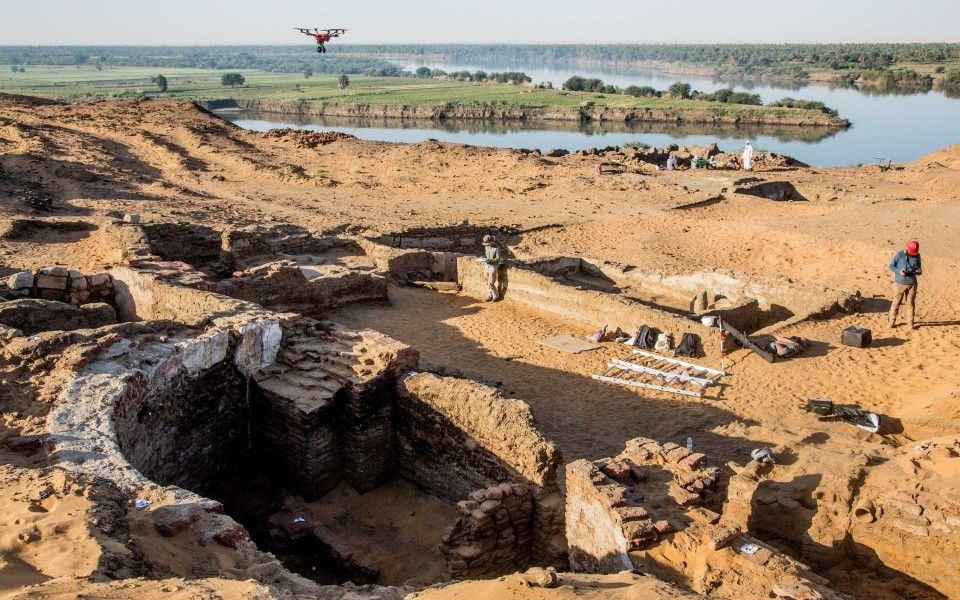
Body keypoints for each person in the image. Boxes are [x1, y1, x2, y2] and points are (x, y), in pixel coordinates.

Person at [889, 239, 922, 329]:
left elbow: (919, 267)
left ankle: (910, 324)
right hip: (899, 283)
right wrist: (899, 271)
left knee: (910, 304)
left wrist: (919, 271)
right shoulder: (899, 255)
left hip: (912, 283)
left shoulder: (917, 255)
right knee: (896, 303)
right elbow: (891, 266)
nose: (913, 254)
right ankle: (891, 322)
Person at [482, 234, 503, 301]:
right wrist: (485, 259)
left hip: (493, 266)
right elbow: (487, 256)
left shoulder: (496, 248)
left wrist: (491, 260)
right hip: (487, 266)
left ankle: (496, 295)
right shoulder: (486, 247)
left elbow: (498, 258)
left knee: (491, 282)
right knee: (487, 282)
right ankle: (490, 295)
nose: (487, 244)